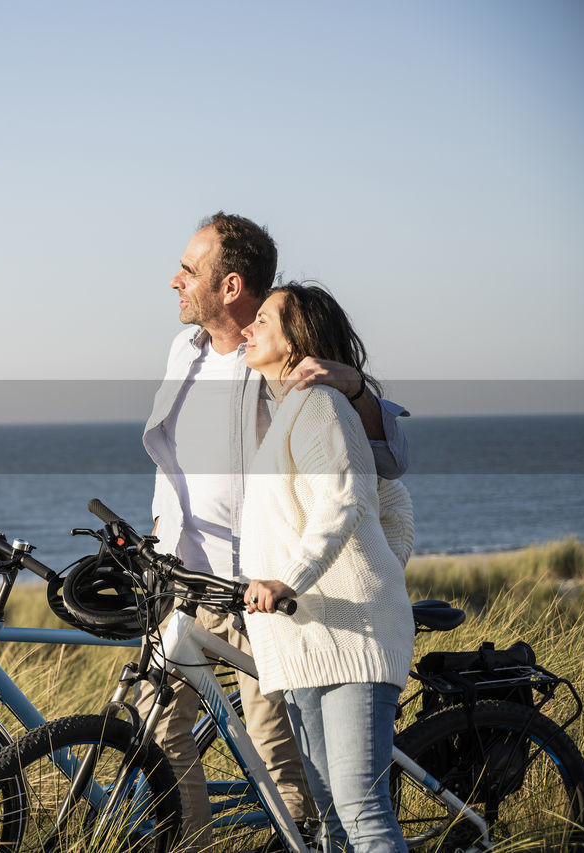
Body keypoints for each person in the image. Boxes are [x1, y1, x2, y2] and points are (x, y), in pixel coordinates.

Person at [137, 213, 410, 850]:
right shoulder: (185, 352)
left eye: (189, 270)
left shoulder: (292, 367)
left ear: (231, 286)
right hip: (179, 577)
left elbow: (380, 467)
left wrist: (352, 385)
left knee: (284, 764)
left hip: (258, 592)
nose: (173, 280)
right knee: (159, 734)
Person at [240, 282, 414, 852]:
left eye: (262, 319)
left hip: (352, 634)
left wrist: (294, 579)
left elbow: (342, 501)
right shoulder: (294, 409)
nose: (248, 328)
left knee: (362, 815)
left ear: (298, 339)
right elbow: (392, 513)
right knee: (334, 824)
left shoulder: (319, 404)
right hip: (303, 635)